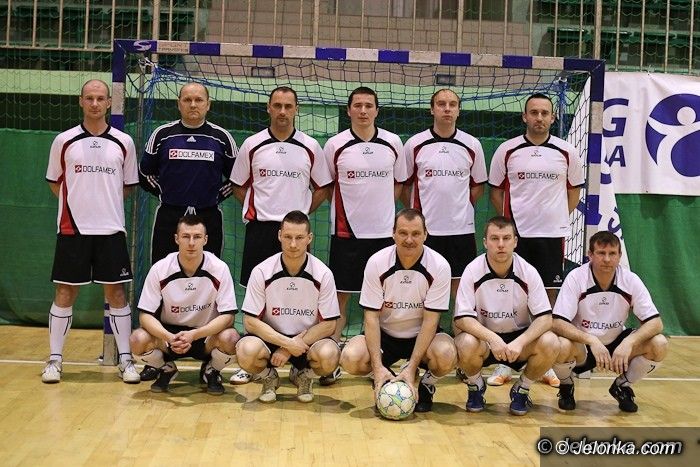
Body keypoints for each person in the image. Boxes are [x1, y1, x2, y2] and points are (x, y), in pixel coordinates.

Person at [229, 86, 332, 384]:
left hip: (294, 234)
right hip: (261, 229)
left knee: (300, 294)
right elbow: (238, 185)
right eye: (277, 105)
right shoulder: (252, 144)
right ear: (268, 108)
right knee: (255, 296)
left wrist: (301, 215)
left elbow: (323, 187)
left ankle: (302, 359)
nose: (283, 111)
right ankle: (253, 361)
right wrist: (257, 208)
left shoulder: (310, 146)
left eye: (288, 106)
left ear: (296, 109)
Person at [138, 82, 238, 381]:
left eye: (198, 100)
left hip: (209, 216)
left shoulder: (221, 138)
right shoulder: (162, 135)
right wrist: (166, 196)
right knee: (162, 279)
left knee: (210, 280)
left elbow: (237, 178)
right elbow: (144, 173)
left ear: (208, 104)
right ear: (179, 103)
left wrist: (213, 199)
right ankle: (159, 357)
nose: (193, 105)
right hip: (170, 215)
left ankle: (208, 351)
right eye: (187, 100)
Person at [42, 79, 140, 384]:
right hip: (72, 230)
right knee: (65, 291)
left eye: (100, 98)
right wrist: (79, 206)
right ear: (81, 101)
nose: (95, 103)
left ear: (109, 102)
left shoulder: (124, 142)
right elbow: (55, 182)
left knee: (116, 293)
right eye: (89, 98)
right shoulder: (64, 140)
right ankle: (55, 360)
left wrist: (102, 206)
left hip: (111, 230)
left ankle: (126, 359)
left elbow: (127, 187)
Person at [487, 93, 584, 388]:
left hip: (552, 237)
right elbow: (496, 192)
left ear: (553, 117)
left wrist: (555, 218)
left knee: (548, 300)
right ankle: (506, 362)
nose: (539, 117)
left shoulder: (567, 152)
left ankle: (544, 363)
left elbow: (573, 192)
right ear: (524, 117)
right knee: (513, 297)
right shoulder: (507, 150)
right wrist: (513, 227)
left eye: (544, 113)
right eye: (533, 112)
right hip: (517, 238)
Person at [323, 86, 408, 385]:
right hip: (346, 235)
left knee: (383, 302)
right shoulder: (335, 145)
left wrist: (382, 215)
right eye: (357, 105)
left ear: (376, 110)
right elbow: (327, 186)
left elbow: (399, 184)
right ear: (348, 110)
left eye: (368, 105)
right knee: (339, 299)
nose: (363, 110)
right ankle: (330, 360)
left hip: (384, 236)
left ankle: (378, 361)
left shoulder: (393, 142)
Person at [340, 209, 456, 413]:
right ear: (393, 233)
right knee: (350, 358)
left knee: (446, 355)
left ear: (425, 235)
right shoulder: (377, 262)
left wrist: (412, 367)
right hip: (385, 336)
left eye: (416, 234)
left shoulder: (439, 266)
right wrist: (377, 368)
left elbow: (430, 321)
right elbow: (371, 318)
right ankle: (384, 379)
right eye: (403, 233)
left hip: (421, 336)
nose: (409, 240)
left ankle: (425, 384)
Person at [454, 216, 560, 415]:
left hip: (519, 340)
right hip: (485, 340)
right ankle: (475, 386)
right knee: (464, 342)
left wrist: (520, 342)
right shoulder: (473, 270)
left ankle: (522, 389)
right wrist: (492, 339)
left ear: (515, 241)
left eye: (506, 238)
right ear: (485, 242)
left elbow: (545, 318)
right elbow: (462, 318)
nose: (501, 244)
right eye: (494, 238)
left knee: (551, 342)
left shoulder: (528, 271)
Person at [552, 231, 667, 413]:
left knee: (659, 343)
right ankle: (566, 386)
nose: (607, 259)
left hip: (616, 346)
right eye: (601, 253)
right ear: (590, 255)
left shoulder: (630, 280)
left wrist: (629, 342)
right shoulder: (576, 277)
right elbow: (557, 322)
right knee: (560, 345)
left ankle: (622, 385)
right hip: (584, 347)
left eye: (612, 253)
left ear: (619, 256)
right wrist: (592, 340)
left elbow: (656, 323)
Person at [235, 211, 340, 403]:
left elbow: (329, 325)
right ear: (279, 236)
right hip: (271, 339)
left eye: (299, 238)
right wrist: (287, 343)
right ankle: (269, 377)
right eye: (288, 237)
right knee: (245, 351)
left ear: (309, 238)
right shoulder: (261, 271)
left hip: (306, 341)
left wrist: (287, 350)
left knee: (330, 356)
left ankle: (304, 376)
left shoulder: (323, 274)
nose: (293, 244)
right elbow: (250, 322)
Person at [129, 215, 240, 394]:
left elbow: (228, 317)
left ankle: (212, 370)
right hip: (170, 336)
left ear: (205, 240)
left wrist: (194, 335)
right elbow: (145, 316)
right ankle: (166, 369)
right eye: (186, 236)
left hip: (204, 334)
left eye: (197, 237)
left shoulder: (219, 268)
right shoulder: (160, 268)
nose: (191, 243)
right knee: (137, 339)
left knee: (231, 338)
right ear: (176, 239)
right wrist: (168, 337)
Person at [402, 88, 487, 297]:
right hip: (425, 231)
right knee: (422, 284)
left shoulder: (472, 144)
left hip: (461, 230)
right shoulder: (414, 144)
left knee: (461, 287)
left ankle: (460, 319)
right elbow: (405, 186)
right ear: (432, 109)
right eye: (441, 104)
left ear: (458, 110)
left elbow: (477, 186)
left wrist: (460, 207)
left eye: (452, 104)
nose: (447, 109)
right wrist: (417, 215)